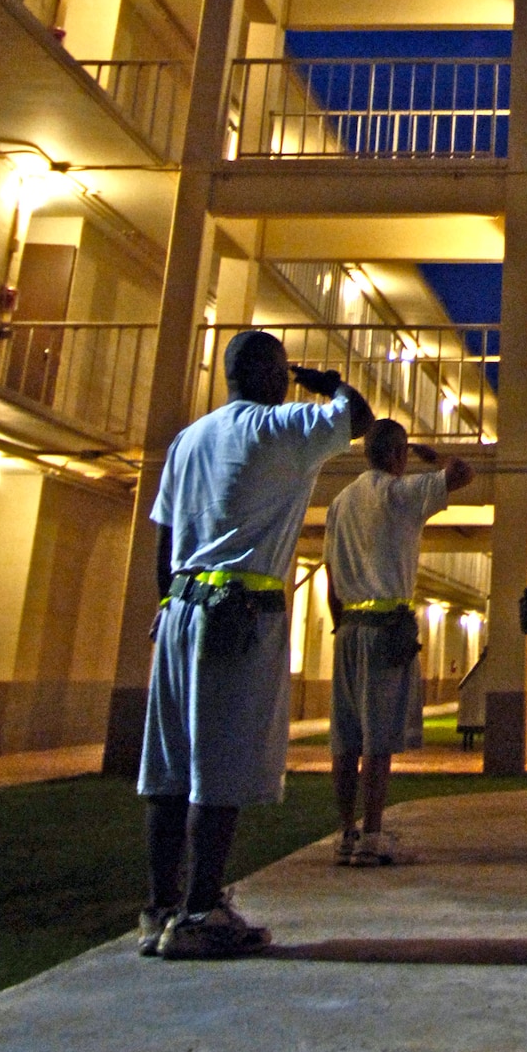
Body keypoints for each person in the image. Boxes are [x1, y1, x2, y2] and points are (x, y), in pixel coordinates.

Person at [138, 331, 370, 959]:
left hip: (179, 608)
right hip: (239, 615)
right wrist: (320, 381)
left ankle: (159, 908)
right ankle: (201, 911)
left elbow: (163, 541)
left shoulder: (188, 440)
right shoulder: (281, 428)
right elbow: (359, 415)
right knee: (221, 768)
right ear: (273, 374)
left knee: (168, 769)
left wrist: (165, 603)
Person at [324, 415, 474, 863]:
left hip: (348, 626)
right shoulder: (400, 493)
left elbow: (331, 574)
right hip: (387, 626)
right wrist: (432, 457)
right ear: (397, 455)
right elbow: (463, 472)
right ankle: (372, 834)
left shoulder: (341, 502)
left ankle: (346, 832)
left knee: (345, 739)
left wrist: (338, 623)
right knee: (378, 738)